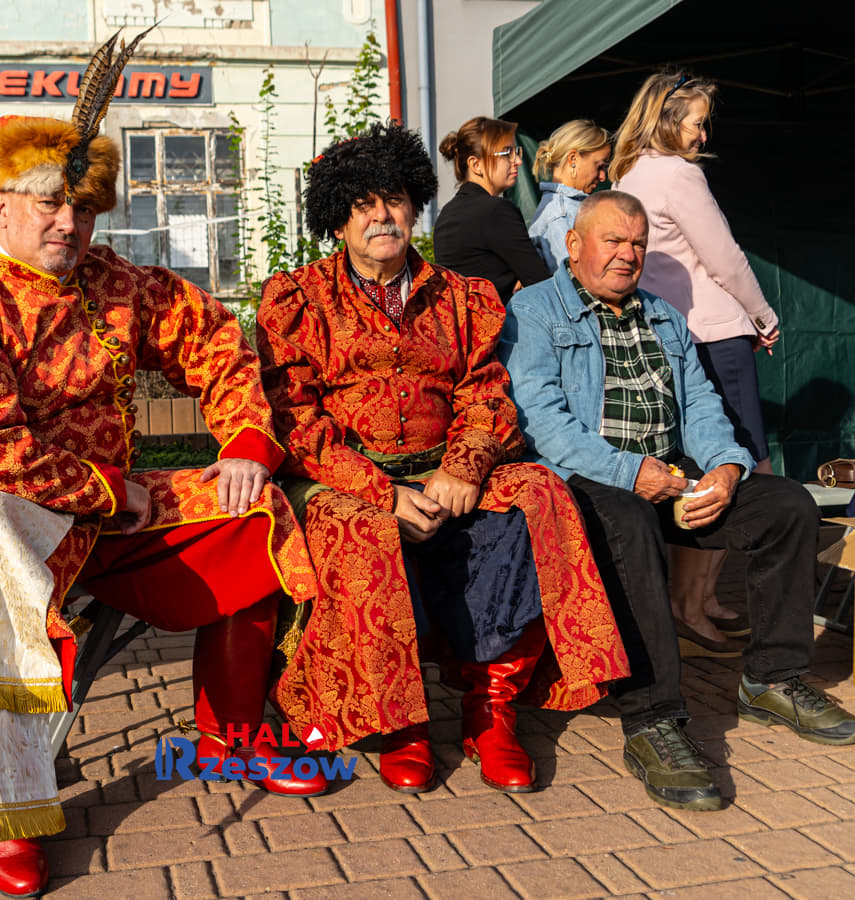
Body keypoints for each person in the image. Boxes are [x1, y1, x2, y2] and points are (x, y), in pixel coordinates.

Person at [0, 102, 327, 896]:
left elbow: (216, 342)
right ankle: (8, 813)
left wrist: (244, 443)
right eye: (49, 202)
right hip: (15, 523)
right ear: (1, 207)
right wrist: (101, 489)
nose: (69, 223)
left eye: (84, 208)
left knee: (251, 512)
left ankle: (232, 737)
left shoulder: (116, 283)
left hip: (115, 517)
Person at [259, 123, 629, 796]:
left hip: (447, 466)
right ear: (338, 218)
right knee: (359, 530)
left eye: (395, 200)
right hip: (345, 476)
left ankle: (491, 708)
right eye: (364, 204)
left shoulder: (464, 296)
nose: (382, 215)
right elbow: (295, 420)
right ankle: (401, 724)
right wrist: (382, 492)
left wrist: (464, 466)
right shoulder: (299, 299)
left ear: (414, 207)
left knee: (539, 492)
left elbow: (487, 393)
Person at [499, 191, 855, 812]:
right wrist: (629, 471)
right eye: (613, 241)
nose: (628, 254)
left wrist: (725, 466)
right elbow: (541, 423)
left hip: (669, 471)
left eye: (638, 243)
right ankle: (653, 720)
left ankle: (773, 679)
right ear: (574, 244)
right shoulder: (534, 310)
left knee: (787, 506)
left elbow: (699, 404)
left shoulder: (664, 315)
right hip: (586, 476)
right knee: (629, 523)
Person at [612, 71, 779, 653]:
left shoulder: (627, 173)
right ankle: (690, 604)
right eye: (697, 122)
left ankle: (698, 599)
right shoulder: (680, 174)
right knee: (741, 467)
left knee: (697, 465)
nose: (702, 134)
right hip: (715, 333)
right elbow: (724, 257)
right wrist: (763, 316)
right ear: (667, 120)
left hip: (673, 336)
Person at [433, 116, 553, 297]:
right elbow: (540, 282)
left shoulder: (447, 214)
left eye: (516, 152)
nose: (517, 161)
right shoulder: (495, 211)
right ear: (476, 164)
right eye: (506, 154)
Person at [527, 118, 612, 271]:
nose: (602, 177)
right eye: (600, 166)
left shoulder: (567, 209)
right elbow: (577, 275)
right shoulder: (561, 215)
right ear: (573, 159)